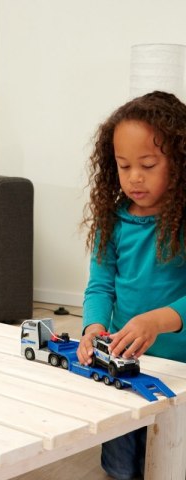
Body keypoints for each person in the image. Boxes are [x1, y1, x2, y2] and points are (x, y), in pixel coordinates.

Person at [78, 91, 186, 480]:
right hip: (126, 365)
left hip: (179, 370)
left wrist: (157, 320)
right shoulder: (112, 221)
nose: (134, 177)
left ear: (180, 162)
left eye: (148, 164)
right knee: (121, 467)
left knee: (171, 460)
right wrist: (92, 327)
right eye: (124, 166)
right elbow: (100, 286)